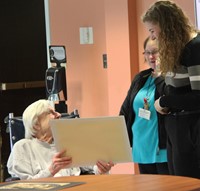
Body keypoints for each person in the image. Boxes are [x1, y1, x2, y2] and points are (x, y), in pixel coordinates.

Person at [142, 0, 200, 178]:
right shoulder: (175, 49)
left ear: (166, 25)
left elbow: (198, 97)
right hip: (175, 127)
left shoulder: (195, 48)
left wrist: (165, 101)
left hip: (192, 127)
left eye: (153, 30)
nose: (152, 37)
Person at [7, 99, 114, 180]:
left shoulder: (68, 143)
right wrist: (51, 170)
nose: (58, 115)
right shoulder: (23, 147)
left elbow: (92, 170)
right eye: (51, 113)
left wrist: (101, 169)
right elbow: (23, 187)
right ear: (36, 125)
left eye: (56, 112)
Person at [119, 37, 169, 175]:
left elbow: (168, 100)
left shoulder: (170, 77)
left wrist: (160, 73)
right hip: (141, 147)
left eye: (155, 52)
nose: (151, 56)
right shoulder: (140, 78)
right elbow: (126, 110)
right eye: (147, 52)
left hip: (162, 149)